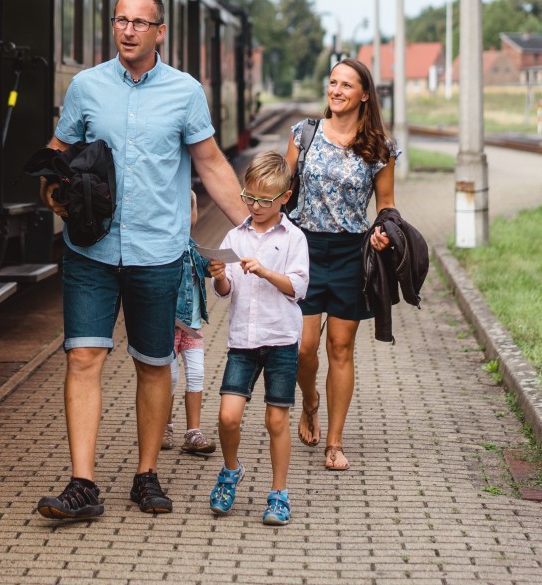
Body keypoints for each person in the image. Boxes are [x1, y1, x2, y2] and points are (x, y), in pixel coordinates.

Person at [35, 0, 250, 520]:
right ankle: (82, 485)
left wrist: (252, 227)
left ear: (159, 32)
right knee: (84, 357)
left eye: (139, 23)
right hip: (91, 251)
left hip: (159, 253)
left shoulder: (185, 92)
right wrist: (52, 195)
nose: (128, 30)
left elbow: (212, 164)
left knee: (153, 365)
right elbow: (55, 158)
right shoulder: (86, 88)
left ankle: (145, 474)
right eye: (120, 20)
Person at [285, 58, 397, 472]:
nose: (336, 90)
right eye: (332, 82)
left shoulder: (379, 149)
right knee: (304, 348)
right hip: (305, 250)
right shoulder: (304, 134)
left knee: (341, 349)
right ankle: (309, 402)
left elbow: (386, 205)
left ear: (364, 94)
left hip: (353, 252)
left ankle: (334, 441)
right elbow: (284, 190)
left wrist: (384, 231)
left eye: (346, 84)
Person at [206, 151, 309, 525]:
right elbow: (225, 289)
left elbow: (297, 287)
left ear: (286, 196)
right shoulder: (235, 235)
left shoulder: (294, 238)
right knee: (227, 416)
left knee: (275, 421)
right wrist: (219, 274)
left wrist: (265, 272)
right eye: (250, 197)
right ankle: (231, 470)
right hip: (242, 342)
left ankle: (279, 493)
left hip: (281, 339)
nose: (257, 206)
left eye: (266, 200)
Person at [164, 192, 216, 456]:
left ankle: (193, 432)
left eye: (189, 211)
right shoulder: (164, 250)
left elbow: (209, 266)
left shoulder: (193, 249)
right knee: (170, 378)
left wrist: (220, 265)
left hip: (193, 328)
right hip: (168, 326)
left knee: (196, 375)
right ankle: (164, 425)